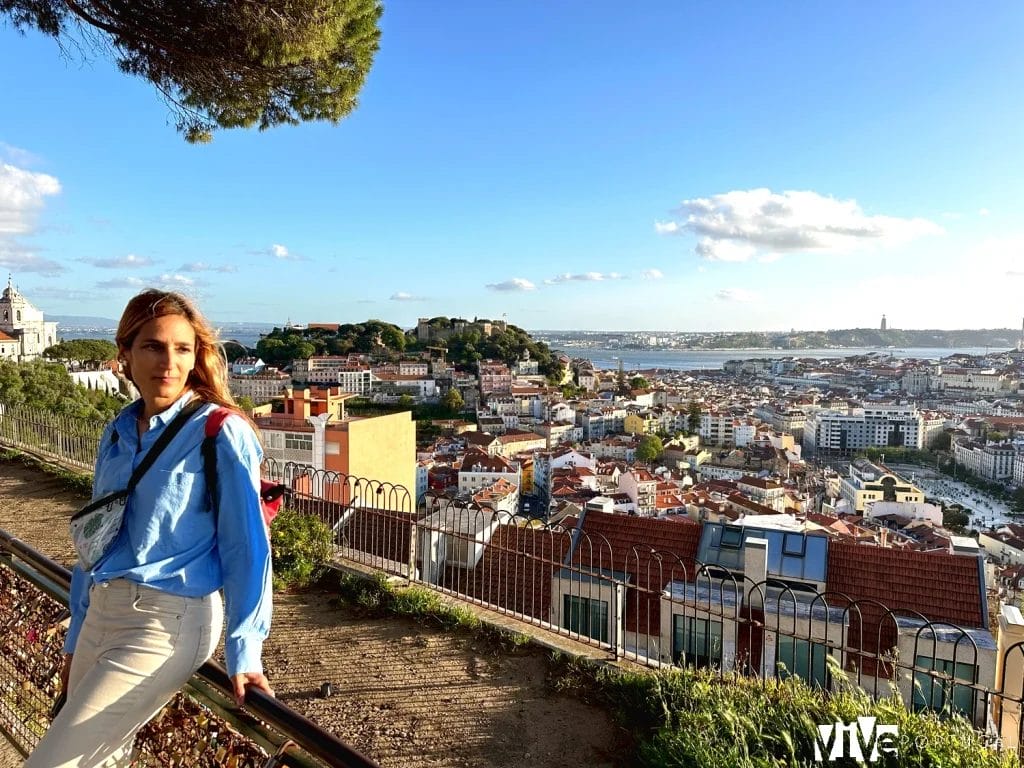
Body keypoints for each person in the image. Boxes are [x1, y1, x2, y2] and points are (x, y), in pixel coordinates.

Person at [26, 290, 273, 767]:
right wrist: (75, 638)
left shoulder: (219, 431)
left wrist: (246, 651)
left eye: (182, 348)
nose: (169, 362)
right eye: (153, 347)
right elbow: (96, 546)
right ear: (125, 355)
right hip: (103, 610)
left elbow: (247, 548)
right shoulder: (117, 430)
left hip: (167, 622)